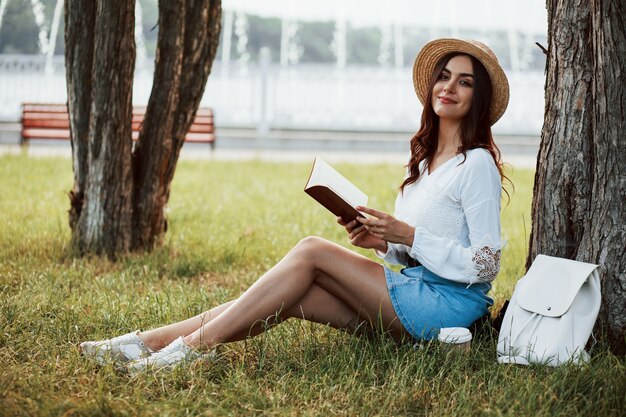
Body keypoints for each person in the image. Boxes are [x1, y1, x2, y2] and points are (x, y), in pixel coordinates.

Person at [80, 38, 510, 373]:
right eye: (445, 76)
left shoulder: (476, 166)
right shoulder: (422, 163)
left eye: (464, 81)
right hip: (414, 293)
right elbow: (412, 254)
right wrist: (381, 243)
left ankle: (187, 352)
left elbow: (487, 264)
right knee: (292, 294)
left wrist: (408, 234)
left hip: (447, 308)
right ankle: (147, 343)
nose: (449, 87)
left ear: (477, 98)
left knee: (311, 250)